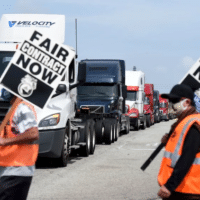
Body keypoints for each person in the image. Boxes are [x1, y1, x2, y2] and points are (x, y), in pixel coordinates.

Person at [157, 84, 200, 200]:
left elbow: (186, 159)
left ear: (187, 102)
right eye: (170, 100)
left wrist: (169, 186)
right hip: (182, 190)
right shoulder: (184, 122)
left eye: (174, 100)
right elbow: (179, 149)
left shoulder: (193, 125)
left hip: (189, 192)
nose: (171, 104)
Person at [0, 89, 39, 200]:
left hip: (17, 168)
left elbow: (33, 133)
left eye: (6, 88)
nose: (3, 91)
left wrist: (4, 142)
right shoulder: (13, 108)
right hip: (9, 169)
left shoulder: (23, 108)